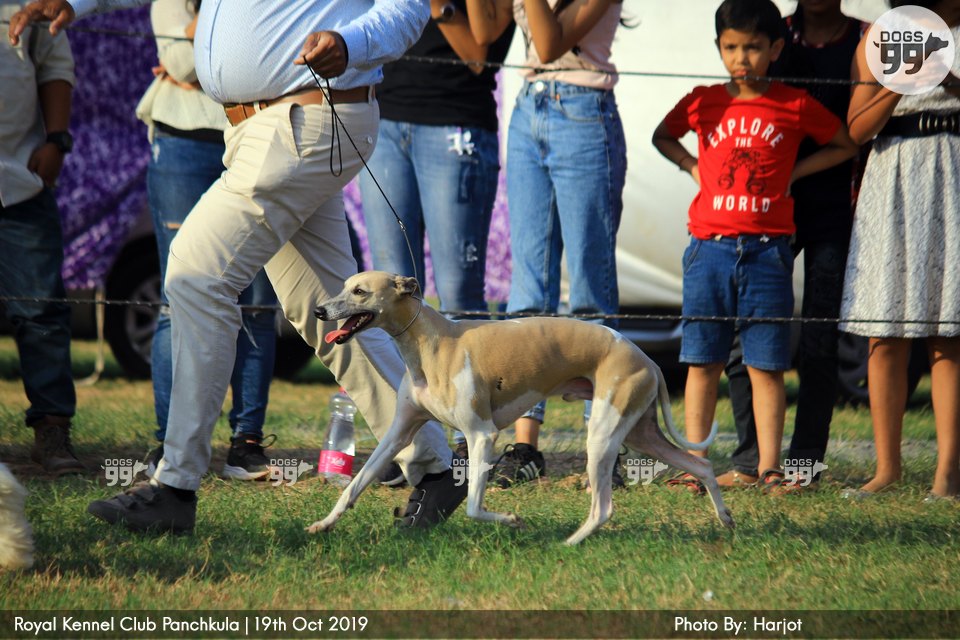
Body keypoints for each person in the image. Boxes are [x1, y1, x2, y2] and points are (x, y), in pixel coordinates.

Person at [9, 0, 468, 533]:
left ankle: (175, 485)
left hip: (302, 122)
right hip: (276, 127)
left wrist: (352, 43)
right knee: (327, 311)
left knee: (196, 275)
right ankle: (436, 467)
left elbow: (409, 6)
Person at [651, 0, 857, 494]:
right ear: (718, 47)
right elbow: (663, 135)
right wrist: (692, 167)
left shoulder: (793, 104)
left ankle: (768, 468)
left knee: (766, 365)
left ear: (776, 48)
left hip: (767, 252)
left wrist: (795, 172)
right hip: (709, 249)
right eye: (731, 47)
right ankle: (695, 463)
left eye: (753, 47)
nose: (741, 58)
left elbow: (845, 143)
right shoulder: (702, 101)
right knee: (703, 362)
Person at [468, 0, 627, 488]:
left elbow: (550, 41)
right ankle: (525, 447)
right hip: (528, 106)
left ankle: (604, 449)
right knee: (528, 291)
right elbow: (484, 34)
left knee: (590, 291)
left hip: (585, 110)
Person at [358, 0, 515, 485]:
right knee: (386, 299)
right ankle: (412, 446)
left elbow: (479, 55)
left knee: (459, 292)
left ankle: (472, 441)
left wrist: (438, 9)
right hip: (384, 121)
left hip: (455, 123)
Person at [720, 0, 864, 490]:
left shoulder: (863, 40)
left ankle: (804, 465)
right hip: (763, 210)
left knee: (820, 338)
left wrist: (796, 170)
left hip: (833, 207)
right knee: (745, 337)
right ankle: (749, 461)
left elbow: (851, 137)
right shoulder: (766, 30)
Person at [136, 0, 279, 481]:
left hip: (256, 139)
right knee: (176, 297)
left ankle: (247, 442)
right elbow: (181, 63)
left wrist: (227, 57)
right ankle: (169, 440)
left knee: (256, 302)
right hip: (183, 144)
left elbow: (274, 60)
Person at [841, 0, 960, 500]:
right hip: (893, 171)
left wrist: (949, 79)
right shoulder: (879, 36)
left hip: (952, 166)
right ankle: (886, 468)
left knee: (948, 331)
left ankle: (948, 473)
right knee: (884, 328)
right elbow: (856, 128)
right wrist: (902, 80)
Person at [0, 0, 83, 476]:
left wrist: (57, 140)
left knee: (41, 309)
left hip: (19, 173)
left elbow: (54, 65)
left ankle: (52, 431)